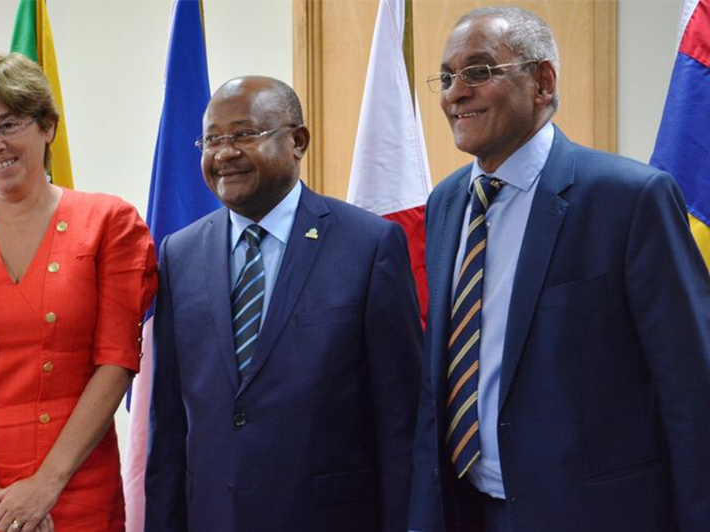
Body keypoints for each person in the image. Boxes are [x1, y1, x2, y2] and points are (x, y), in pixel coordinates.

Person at [409, 6, 710, 532]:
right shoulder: (446, 202)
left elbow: (691, 389)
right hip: (466, 511)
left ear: (542, 81)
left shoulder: (629, 199)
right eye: (448, 77)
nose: (455, 93)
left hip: (592, 514)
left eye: (478, 71)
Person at [144, 76, 422, 532]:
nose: (224, 153)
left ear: (298, 141)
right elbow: (169, 423)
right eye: (212, 140)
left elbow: (401, 421)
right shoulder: (179, 253)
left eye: (244, 134)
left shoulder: (368, 245)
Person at [0, 52, 157, 531]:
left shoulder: (109, 222)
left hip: (75, 486)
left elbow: (117, 362)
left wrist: (45, 486)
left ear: (48, 127)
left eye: (8, 124)